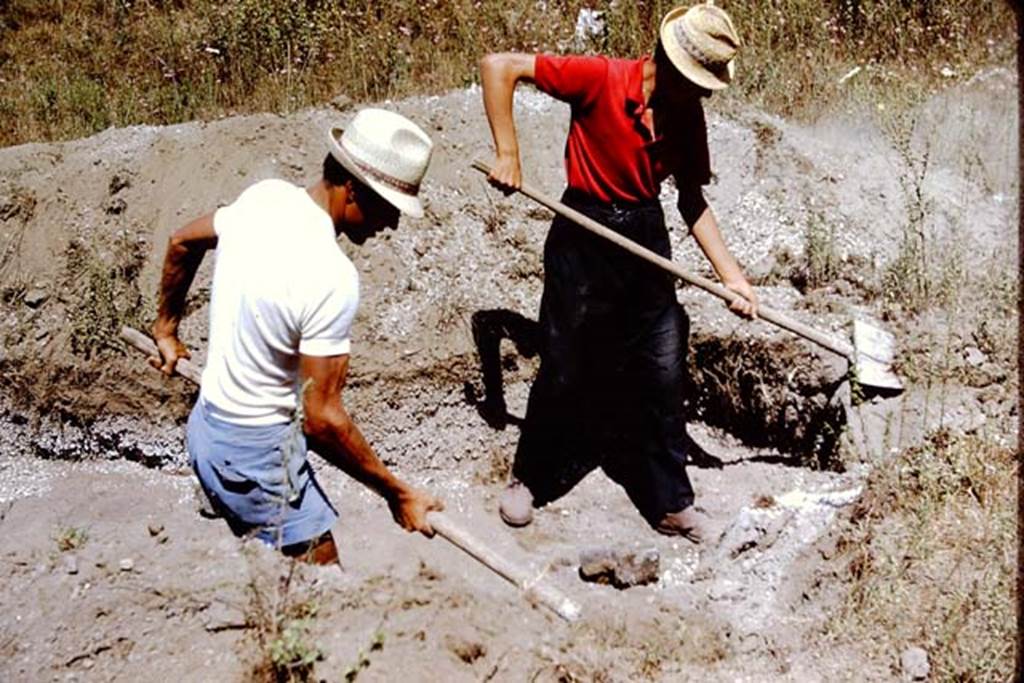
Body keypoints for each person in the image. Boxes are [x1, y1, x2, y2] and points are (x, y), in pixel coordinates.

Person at [479, 3, 759, 542]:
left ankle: (671, 501)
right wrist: (508, 151)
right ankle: (528, 477)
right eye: (697, 83)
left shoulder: (685, 117)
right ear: (670, 66)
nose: (702, 95)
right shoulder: (601, 79)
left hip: (645, 235)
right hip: (583, 230)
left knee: (663, 364)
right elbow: (499, 66)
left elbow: (692, 201)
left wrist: (732, 277)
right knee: (564, 363)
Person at [149, 108, 443, 565]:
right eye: (388, 207)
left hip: (208, 428)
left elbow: (180, 243)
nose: (393, 225)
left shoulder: (265, 198)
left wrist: (166, 330)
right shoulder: (330, 275)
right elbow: (322, 419)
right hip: (253, 455)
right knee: (320, 591)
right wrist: (397, 493)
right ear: (352, 190)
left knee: (282, 569)